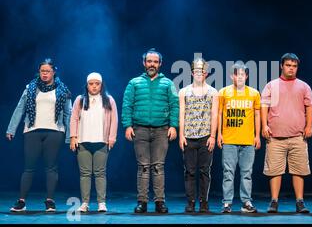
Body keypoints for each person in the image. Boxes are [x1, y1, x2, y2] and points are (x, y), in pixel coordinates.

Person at [6, 58, 72, 212]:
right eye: (42, 71)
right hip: (32, 131)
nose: (44, 74)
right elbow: (19, 109)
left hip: (55, 131)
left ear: (54, 72)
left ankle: (50, 201)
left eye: (47, 71)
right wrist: (11, 129)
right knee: (28, 167)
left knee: (51, 168)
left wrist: (70, 136)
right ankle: (21, 201)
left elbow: (68, 114)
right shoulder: (30, 88)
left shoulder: (63, 90)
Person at [122, 48, 179, 213]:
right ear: (144, 63)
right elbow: (127, 105)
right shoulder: (134, 83)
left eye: (155, 61)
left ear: (160, 64)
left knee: (158, 167)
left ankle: (160, 202)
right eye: (149, 61)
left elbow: (174, 105)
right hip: (140, 130)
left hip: (162, 130)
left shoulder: (168, 83)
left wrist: (174, 126)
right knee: (143, 167)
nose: (152, 64)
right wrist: (127, 126)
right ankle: (142, 202)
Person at [261, 53, 312, 213]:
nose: (291, 68)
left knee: (298, 170)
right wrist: (264, 125)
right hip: (275, 136)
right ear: (281, 66)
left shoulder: (304, 86)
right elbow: (264, 106)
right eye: (288, 65)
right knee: (274, 170)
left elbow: (309, 106)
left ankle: (300, 202)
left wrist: (309, 126)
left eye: (294, 66)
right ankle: (274, 201)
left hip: (298, 136)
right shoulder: (271, 85)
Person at [69, 72, 118, 213]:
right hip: (83, 141)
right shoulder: (80, 100)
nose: (94, 86)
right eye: (91, 84)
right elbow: (74, 119)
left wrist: (111, 138)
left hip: (101, 141)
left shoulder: (109, 100)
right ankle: (84, 203)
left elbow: (114, 120)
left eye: (97, 84)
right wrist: (73, 137)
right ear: (87, 85)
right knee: (84, 173)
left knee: (100, 173)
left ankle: (101, 203)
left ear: (101, 85)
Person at [218, 62, 261, 213]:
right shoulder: (223, 92)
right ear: (232, 76)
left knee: (247, 173)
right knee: (228, 173)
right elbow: (219, 114)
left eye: (243, 74)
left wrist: (257, 136)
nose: (240, 77)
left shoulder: (254, 93)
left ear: (247, 76)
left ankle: (246, 202)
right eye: (237, 74)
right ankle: (227, 203)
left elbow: (257, 115)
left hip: (248, 140)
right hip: (229, 140)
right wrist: (219, 134)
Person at [178, 58, 218, 213]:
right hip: (188, 136)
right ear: (192, 72)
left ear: (206, 73)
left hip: (205, 136)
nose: (199, 74)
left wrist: (213, 136)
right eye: (196, 71)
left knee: (204, 171)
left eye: (202, 71)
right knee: (189, 171)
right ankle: (190, 201)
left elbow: (214, 115)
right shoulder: (184, 91)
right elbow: (182, 113)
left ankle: (203, 202)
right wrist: (181, 135)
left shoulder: (213, 92)